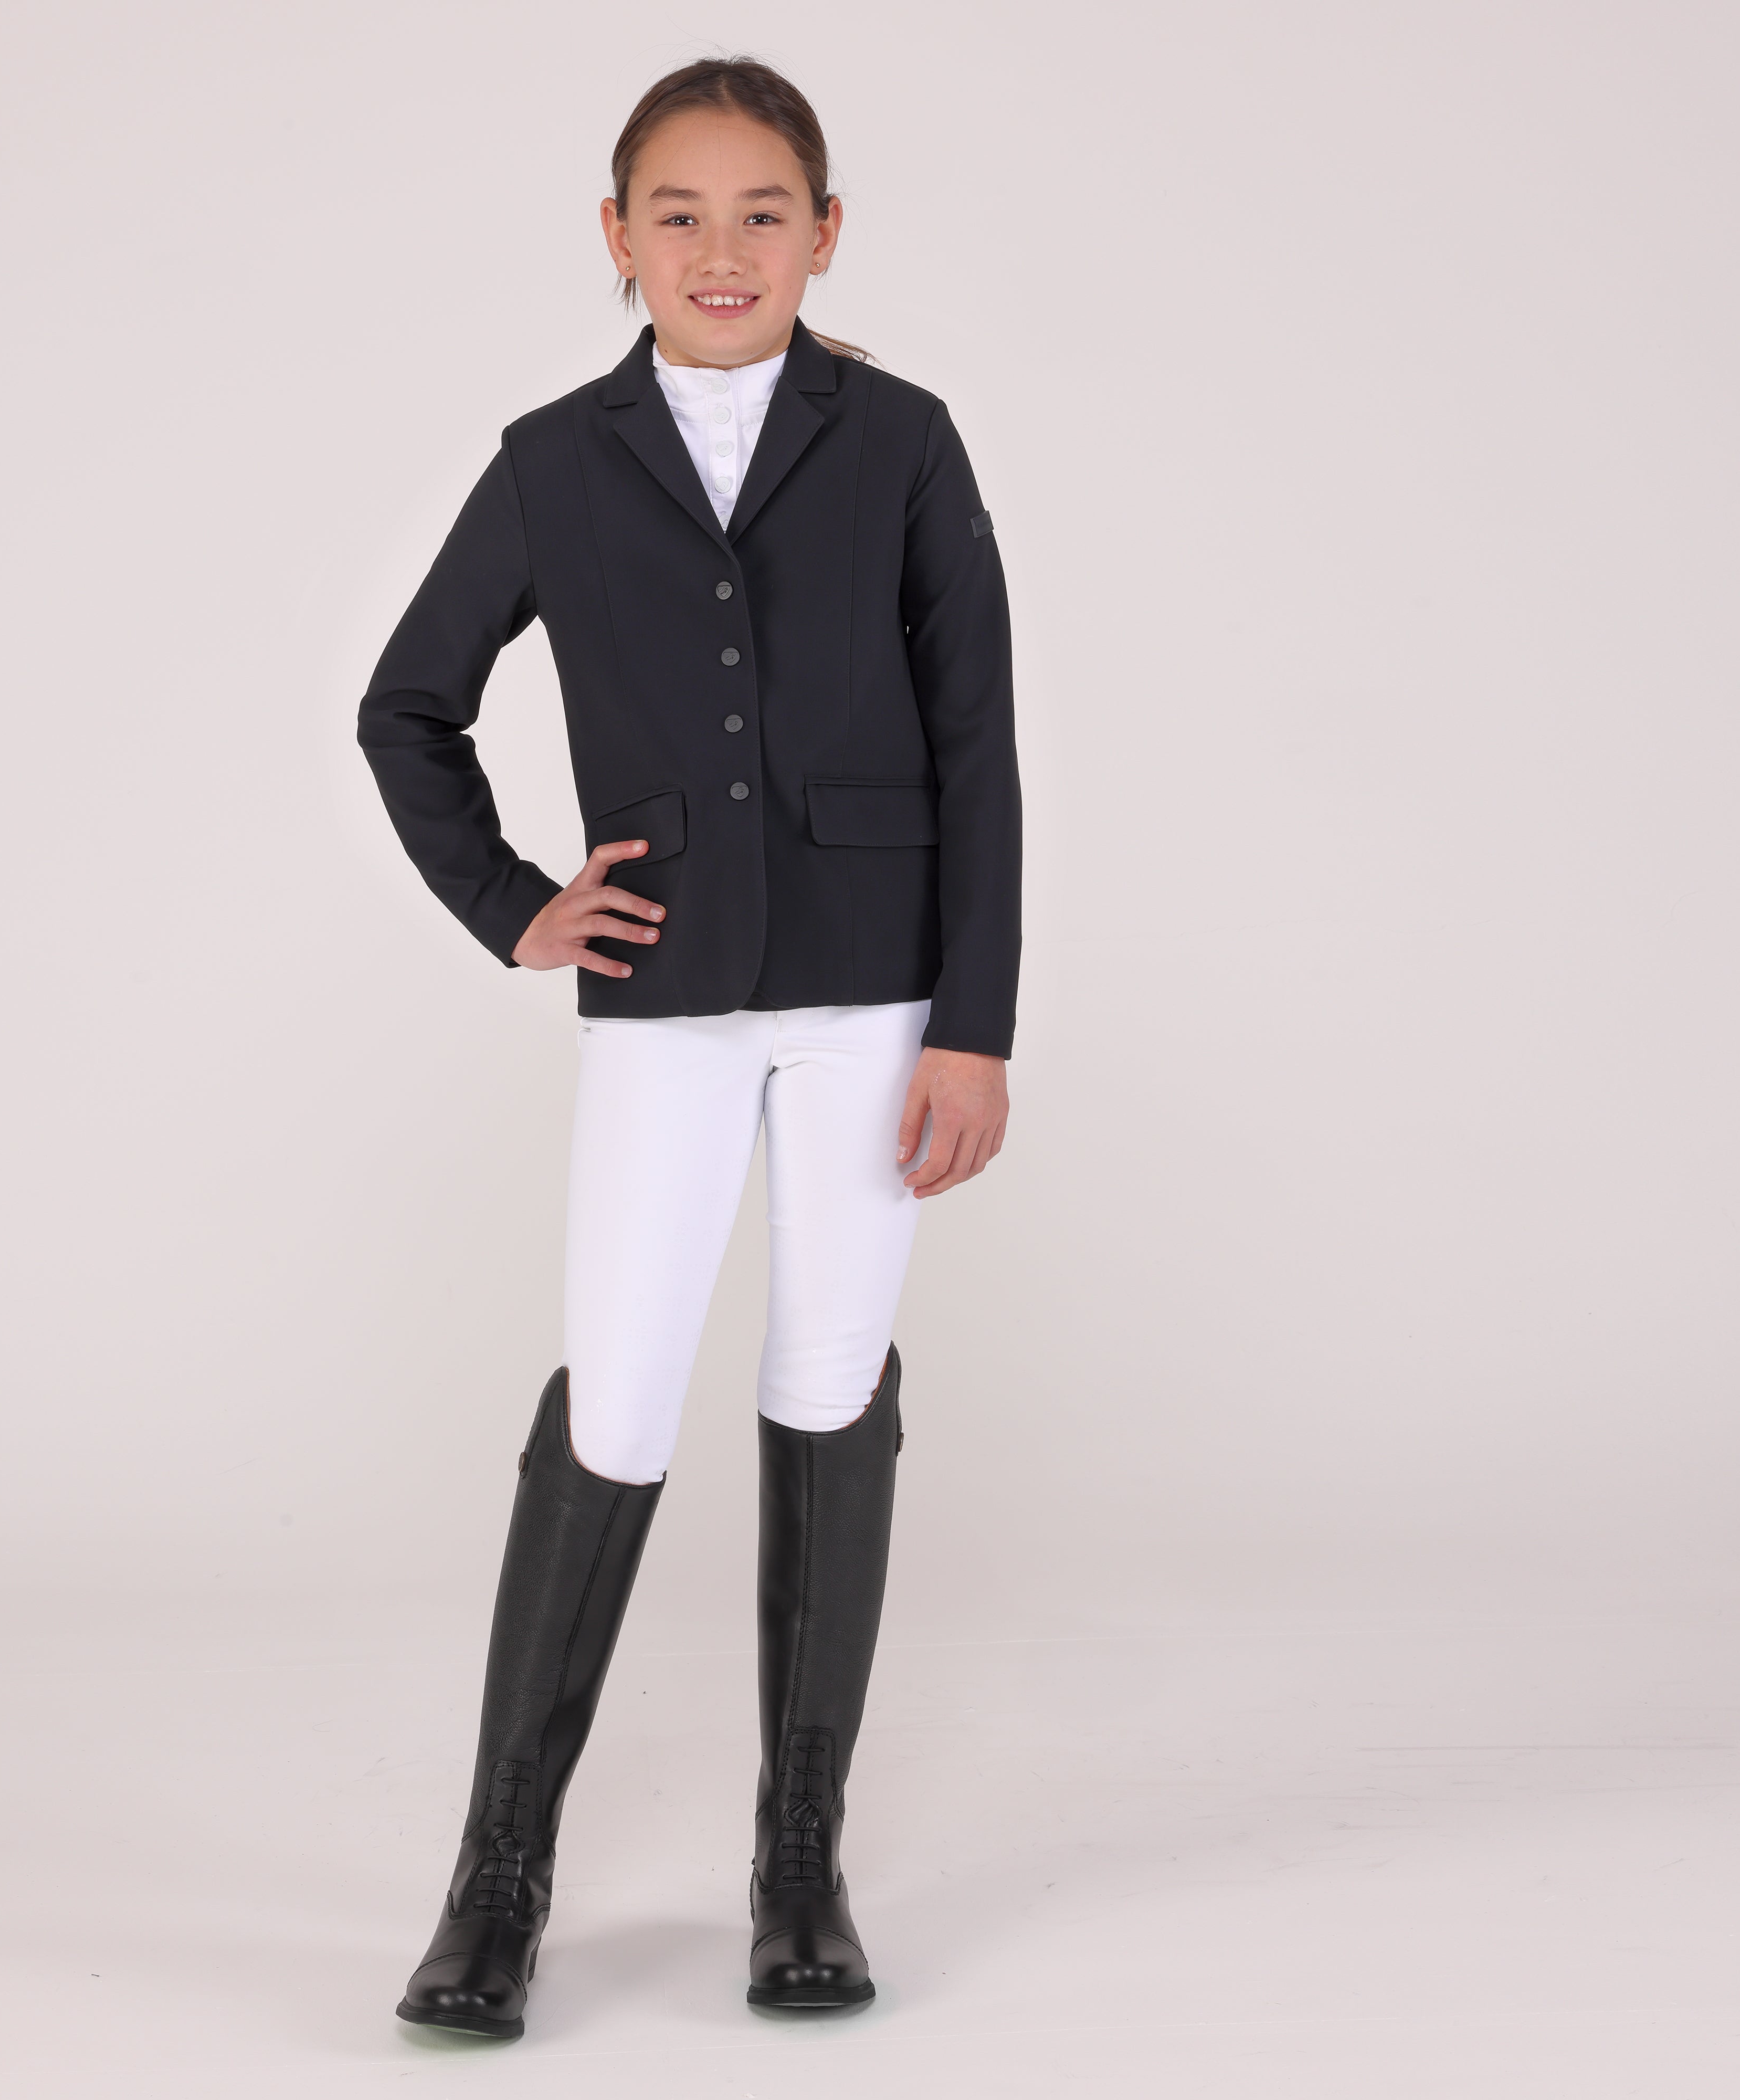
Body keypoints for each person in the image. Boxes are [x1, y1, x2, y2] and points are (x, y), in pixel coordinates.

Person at [358, 54, 1019, 2040]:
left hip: (873, 992)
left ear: (825, 234)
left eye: (761, 214)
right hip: (663, 994)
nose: (720, 249)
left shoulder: (902, 442)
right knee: (622, 1395)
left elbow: (979, 748)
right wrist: (515, 903)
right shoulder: (553, 461)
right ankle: (498, 1875)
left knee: (828, 1380)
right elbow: (408, 707)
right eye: (679, 213)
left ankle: (799, 1859)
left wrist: (973, 1028)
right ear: (618, 235)